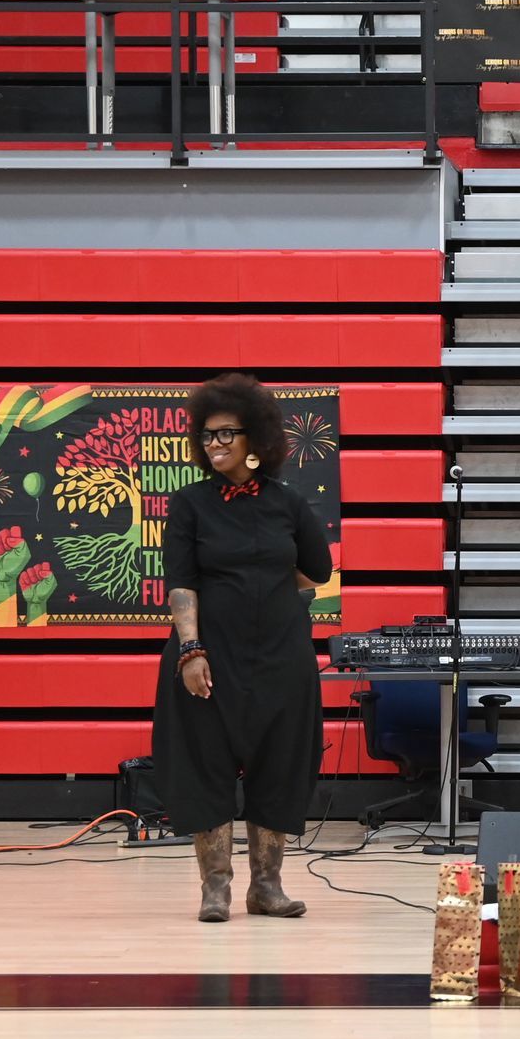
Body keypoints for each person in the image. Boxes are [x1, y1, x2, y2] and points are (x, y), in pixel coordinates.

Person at [153, 373, 332, 922]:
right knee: (204, 762)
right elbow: (181, 582)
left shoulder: (288, 503)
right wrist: (191, 649)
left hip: (281, 657)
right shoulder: (189, 504)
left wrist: (266, 589)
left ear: (256, 437)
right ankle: (216, 890)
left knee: (279, 764)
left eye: (226, 433)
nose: (215, 443)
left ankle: (267, 888)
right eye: (207, 435)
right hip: (209, 656)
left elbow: (317, 572)